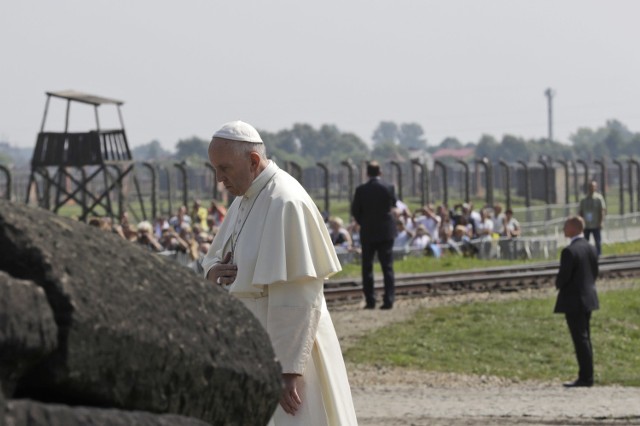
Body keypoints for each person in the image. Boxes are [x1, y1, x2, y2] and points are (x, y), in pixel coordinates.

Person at [201, 120, 357, 425]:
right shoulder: (244, 198)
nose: (219, 179)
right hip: (253, 346)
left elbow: (299, 295)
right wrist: (213, 272)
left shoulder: (285, 201)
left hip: (288, 349)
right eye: (215, 170)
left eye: (224, 168)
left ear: (253, 161)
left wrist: (288, 369)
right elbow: (214, 258)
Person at [554, 215, 599, 388]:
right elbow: (594, 272)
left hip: (573, 300)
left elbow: (563, 277)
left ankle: (585, 377)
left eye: (566, 226)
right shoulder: (590, 247)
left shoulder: (569, 251)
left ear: (574, 228)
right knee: (586, 338)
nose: (564, 229)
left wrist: (558, 284)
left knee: (579, 339)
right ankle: (588, 374)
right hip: (588, 298)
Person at [351, 160, 397, 310]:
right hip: (386, 232)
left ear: (367, 173)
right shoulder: (388, 188)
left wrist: (364, 222)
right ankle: (388, 299)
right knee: (387, 267)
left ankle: (370, 301)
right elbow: (393, 205)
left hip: (368, 232)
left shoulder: (361, 190)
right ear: (380, 173)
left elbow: (355, 211)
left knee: (367, 268)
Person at [579, 180, 606, 256]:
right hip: (586, 225)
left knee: (597, 241)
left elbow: (602, 211)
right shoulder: (584, 199)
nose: (591, 188)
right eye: (590, 186)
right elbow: (581, 212)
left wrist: (601, 222)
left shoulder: (598, 198)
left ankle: (598, 255)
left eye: (593, 186)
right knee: (585, 242)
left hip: (595, 224)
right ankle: (586, 255)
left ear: (595, 187)